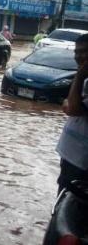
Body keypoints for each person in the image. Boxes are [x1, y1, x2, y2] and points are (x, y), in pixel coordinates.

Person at [56, 33, 88, 194]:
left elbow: (73, 108)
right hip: (71, 157)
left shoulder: (83, 78)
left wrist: (80, 75)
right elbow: (68, 105)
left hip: (81, 162)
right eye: (76, 52)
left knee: (69, 208)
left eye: (84, 51)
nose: (78, 56)